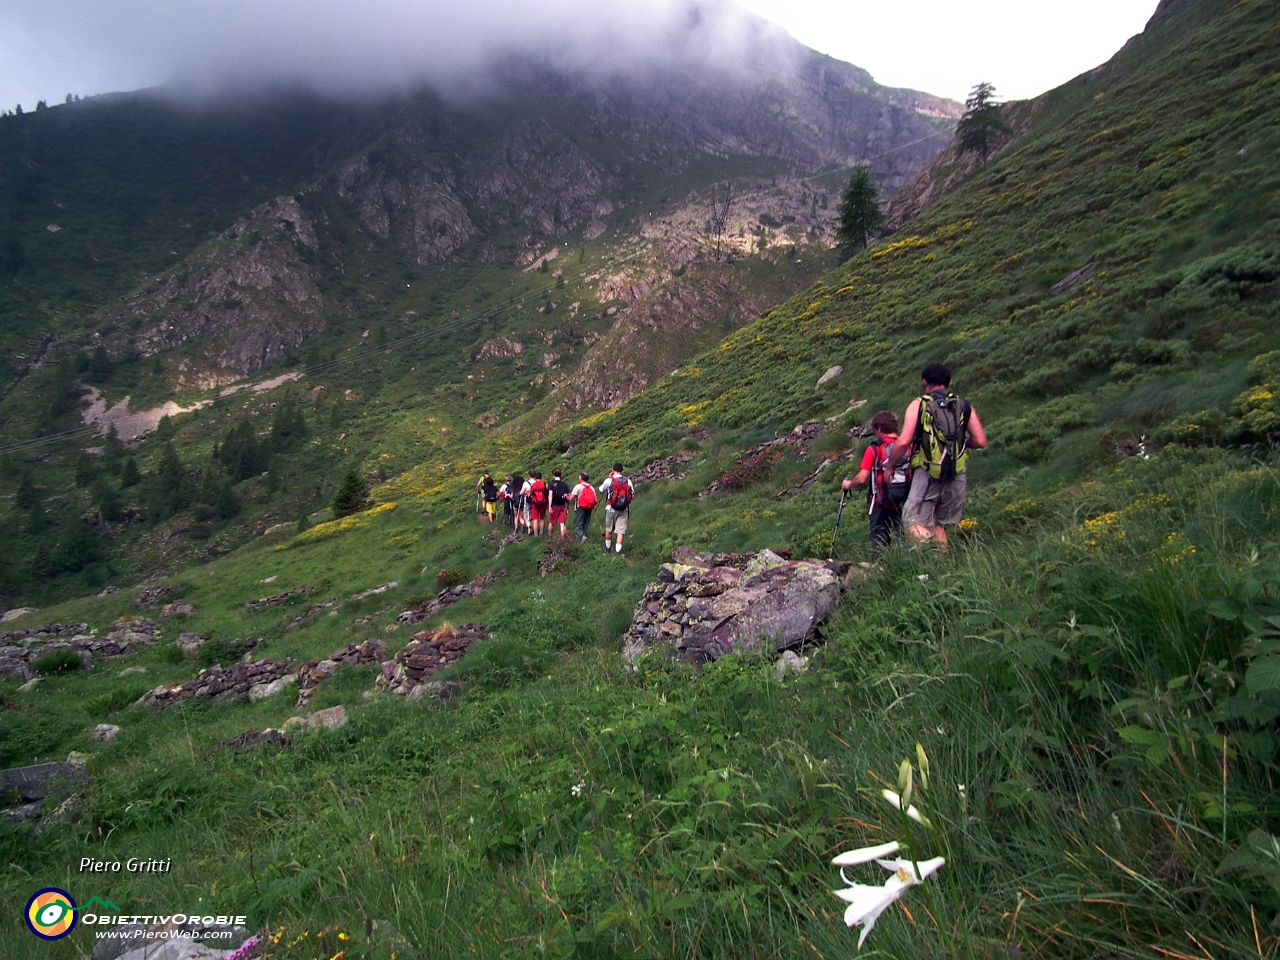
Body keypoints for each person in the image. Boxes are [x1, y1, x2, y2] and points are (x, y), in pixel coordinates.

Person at [884, 363, 987, 554]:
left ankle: (932, 553)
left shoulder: (919, 405)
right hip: (957, 470)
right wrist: (959, 446)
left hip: (929, 469)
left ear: (925, 382)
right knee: (937, 522)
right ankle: (941, 565)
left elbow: (903, 441)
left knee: (910, 520)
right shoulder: (963, 405)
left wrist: (890, 467)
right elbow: (980, 441)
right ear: (949, 382)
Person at [841, 410, 910, 551]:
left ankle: (880, 569)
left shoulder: (874, 449)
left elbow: (862, 479)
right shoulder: (907, 446)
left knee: (879, 542)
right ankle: (910, 566)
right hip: (905, 499)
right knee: (905, 539)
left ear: (879, 429)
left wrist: (848, 484)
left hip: (880, 501)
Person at [598, 463, 634, 554]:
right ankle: (617, 553)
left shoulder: (609, 480)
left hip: (611, 508)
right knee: (620, 532)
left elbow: (600, 490)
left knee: (608, 530)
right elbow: (632, 496)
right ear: (622, 471)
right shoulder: (628, 481)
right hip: (623, 509)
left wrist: (609, 478)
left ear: (613, 470)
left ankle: (608, 550)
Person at [569, 472, 596, 542]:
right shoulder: (591, 487)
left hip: (580, 508)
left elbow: (570, 498)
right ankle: (585, 539)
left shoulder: (578, 486)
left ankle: (581, 538)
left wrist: (566, 496)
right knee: (585, 525)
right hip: (589, 508)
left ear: (581, 478)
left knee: (577, 525)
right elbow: (596, 500)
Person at [547, 469, 571, 539]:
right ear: (561, 475)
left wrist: (549, 505)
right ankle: (563, 536)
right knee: (562, 522)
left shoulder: (551, 484)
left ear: (553, 475)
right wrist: (568, 505)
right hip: (563, 505)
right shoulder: (564, 484)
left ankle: (549, 536)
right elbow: (568, 495)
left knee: (551, 522)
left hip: (554, 505)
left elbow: (550, 495)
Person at [528, 471, 549, 537]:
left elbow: (529, 495)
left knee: (535, 519)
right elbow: (547, 493)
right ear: (541, 477)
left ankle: (535, 534)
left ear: (535, 478)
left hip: (535, 504)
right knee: (542, 518)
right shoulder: (545, 484)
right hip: (543, 503)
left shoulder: (533, 485)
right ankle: (541, 532)